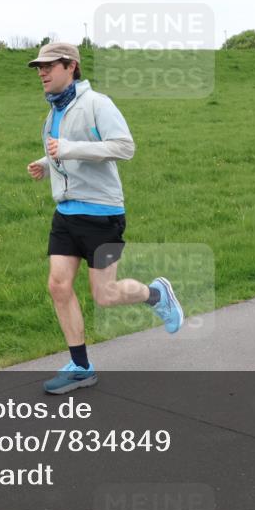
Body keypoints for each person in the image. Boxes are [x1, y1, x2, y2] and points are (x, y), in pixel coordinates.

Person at [26, 42, 183, 394]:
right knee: (58, 285)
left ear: (71, 67)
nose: (42, 72)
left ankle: (157, 295)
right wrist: (46, 161)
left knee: (106, 295)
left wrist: (67, 150)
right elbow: (68, 148)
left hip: (102, 215)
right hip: (66, 213)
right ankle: (81, 367)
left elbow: (124, 147)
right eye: (39, 67)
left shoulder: (98, 103)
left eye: (49, 65)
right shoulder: (54, 112)